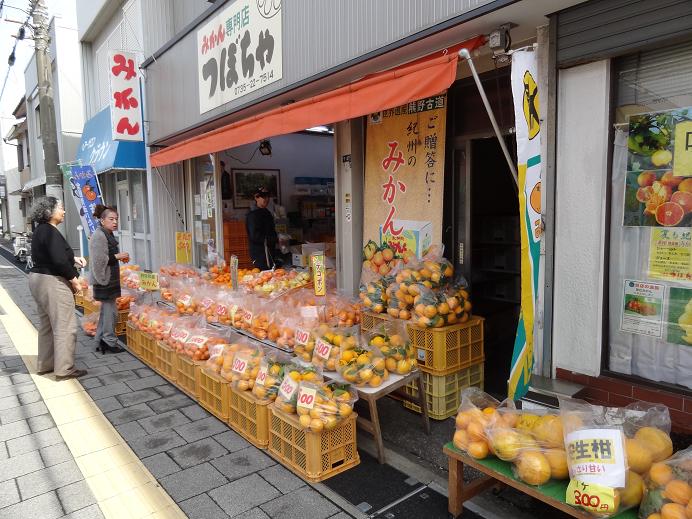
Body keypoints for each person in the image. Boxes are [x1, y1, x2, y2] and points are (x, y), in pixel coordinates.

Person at [28, 197, 88, 380]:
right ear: (49, 212)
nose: (64, 211)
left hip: (37, 279)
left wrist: (73, 259)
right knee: (64, 326)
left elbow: (54, 255)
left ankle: (45, 365)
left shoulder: (40, 230)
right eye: (60, 208)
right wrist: (75, 280)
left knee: (46, 325)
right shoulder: (51, 231)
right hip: (53, 282)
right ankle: (64, 369)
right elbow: (59, 260)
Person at [89, 205, 129, 354]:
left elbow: (108, 258)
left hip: (109, 278)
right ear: (102, 220)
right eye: (111, 219)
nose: (115, 222)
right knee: (111, 312)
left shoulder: (107, 233)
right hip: (104, 279)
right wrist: (118, 256)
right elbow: (99, 260)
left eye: (116, 219)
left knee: (107, 311)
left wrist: (119, 258)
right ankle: (109, 340)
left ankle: (100, 340)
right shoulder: (99, 235)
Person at [246, 187, 277, 270]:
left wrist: (277, 238)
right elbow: (255, 236)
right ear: (256, 197)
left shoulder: (266, 212)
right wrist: (272, 239)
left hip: (269, 250)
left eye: (268, 197)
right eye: (263, 197)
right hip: (260, 253)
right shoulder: (253, 215)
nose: (266, 199)